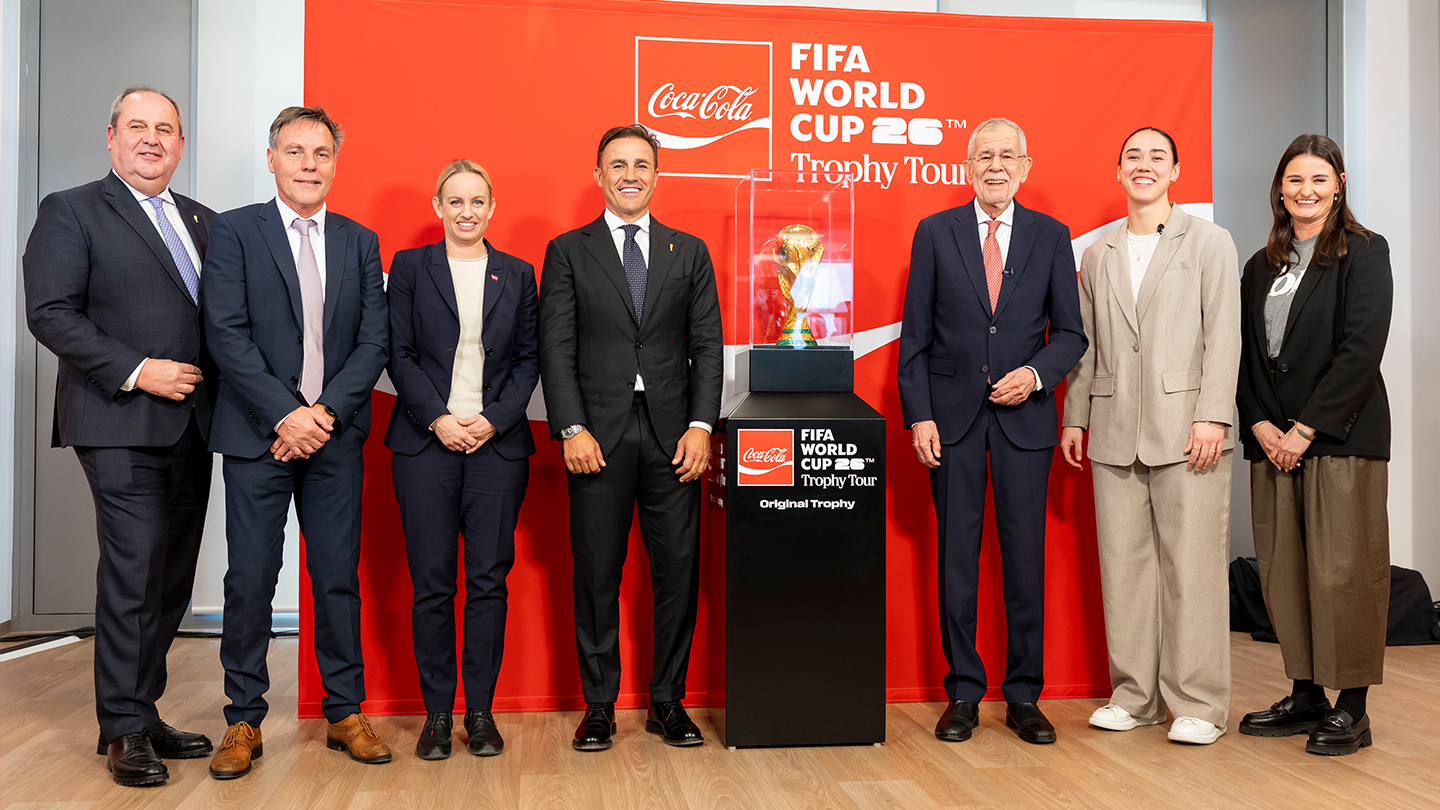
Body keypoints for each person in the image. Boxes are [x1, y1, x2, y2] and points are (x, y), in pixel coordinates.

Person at [23, 86, 216, 787]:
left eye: (165, 128)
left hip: (195, 425)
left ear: (181, 144)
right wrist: (138, 370)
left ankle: (145, 706)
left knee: (170, 578)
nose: (151, 138)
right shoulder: (71, 210)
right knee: (133, 570)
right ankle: (124, 728)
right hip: (117, 419)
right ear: (111, 137)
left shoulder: (202, 220)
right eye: (137, 126)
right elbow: (50, 312)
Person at [202, 106, 391, 778]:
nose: (309, 164)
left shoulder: (360, 239)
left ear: (336, 163)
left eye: (321, 153)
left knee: (336, 578)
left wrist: (323, 415)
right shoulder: (233, 232)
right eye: (296, 151)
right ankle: (243, 720)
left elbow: (375, 340)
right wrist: (287, 414)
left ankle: (344, 712)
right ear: (272, 158)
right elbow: (225, 333)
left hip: (334, 440)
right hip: (259, 437)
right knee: (249, 579)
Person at [897, 117, 1087, 746]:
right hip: (949, 424)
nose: (996, 165)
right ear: (967, 164)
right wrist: (919, 414)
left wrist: (1036, 375)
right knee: (956, 560)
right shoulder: (934, 233)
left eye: (1008, 155)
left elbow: (1070, 334)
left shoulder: (1052, 236)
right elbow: (915, 341)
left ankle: (1025, 695)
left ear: (1026, 166)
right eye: (985, 155)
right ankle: (963, 693)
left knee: (1024, 561)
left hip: (1024, 424)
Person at [538, 124, 723, 751]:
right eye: (617, 164)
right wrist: (570, 426)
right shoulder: (568, 250)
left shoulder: (688, 251)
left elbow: (706, 347)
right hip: (596, 438)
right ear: (598, 175)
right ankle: (599, 706)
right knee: (596, 574)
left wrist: (703, 427)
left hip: (675, 439)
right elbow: (555, 348)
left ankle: (667, 701)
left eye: (641, 164)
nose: (630, 174)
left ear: (655, 174)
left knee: (677, 571)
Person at [1059, 127, 1241, 745]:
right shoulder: (1099, 251)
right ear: (1118, 171)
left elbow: (1225, 335)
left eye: (1156, 157)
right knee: (1125, 567)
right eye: (1132, 156)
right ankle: (1134, 697)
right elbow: (1085, 346)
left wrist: (1214, 414)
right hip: (1113, 429)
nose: (1144, 165)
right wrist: (1075, 417)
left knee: (1192, 569)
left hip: (1189, 429)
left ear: (1175, 171)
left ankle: (1198, 705)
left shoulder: (1210, 242)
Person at [1234, 134, 1392, 756]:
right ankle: (1305, 695)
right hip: (1272, 440)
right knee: (1284, 570)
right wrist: (1260, 425)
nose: (1305, 191)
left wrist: (1305, 429)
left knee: (1342, 571)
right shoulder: (1260, 263)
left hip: (1339, 437)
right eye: (1295, 180)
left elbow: (1360, 351)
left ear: (1340, 185)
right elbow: (1245, 355)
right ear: (1280, 188)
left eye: (1318, 180)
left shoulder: (1364, 252)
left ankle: (1351, 707)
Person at [385, 159, 539, 760]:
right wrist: (440, 419)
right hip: (426, 443)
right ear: (437, 206)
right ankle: (435, 715)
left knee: (487, 582)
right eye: (455, 201)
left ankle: (480, 714)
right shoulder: (409, 267)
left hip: (497, 448)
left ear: (492, 208)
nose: (466, 212)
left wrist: (493, 420)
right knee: (430, 584)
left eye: (478, 201)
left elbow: (529, 360)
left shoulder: (519, 274)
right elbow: (397, 353)